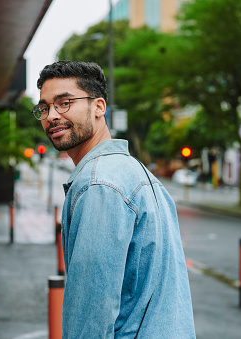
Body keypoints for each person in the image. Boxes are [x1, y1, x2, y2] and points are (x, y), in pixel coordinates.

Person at [34, 60, 195, 338]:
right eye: (45, 108)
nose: (52, 116)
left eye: (65, 103)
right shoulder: (139, 174)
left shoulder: (98, 184)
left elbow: (92, 312)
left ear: (98, 107)